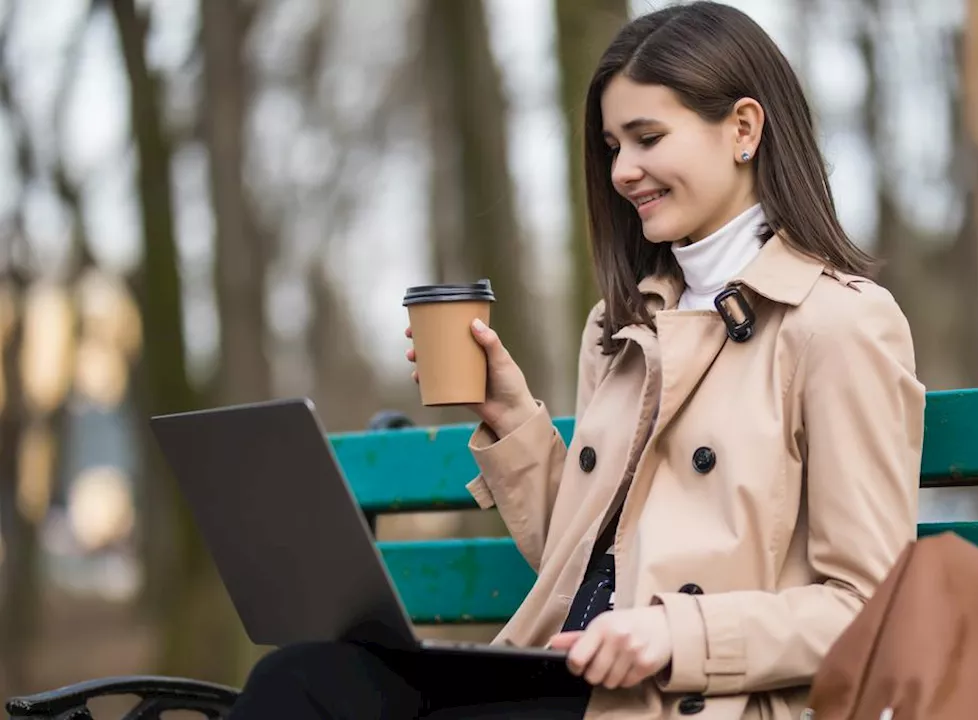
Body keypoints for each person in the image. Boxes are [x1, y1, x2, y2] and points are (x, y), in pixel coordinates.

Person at [228, 2, 925, 718]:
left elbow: (869, 607)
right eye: (612, 146)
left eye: (647, 138)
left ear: (744, 129)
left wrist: (674, 633)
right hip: (560, 670)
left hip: (692, 698)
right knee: (300, 679)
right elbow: (596, 557)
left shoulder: (839, 323)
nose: (624, 171)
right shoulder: (621, 325)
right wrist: (512, 422)